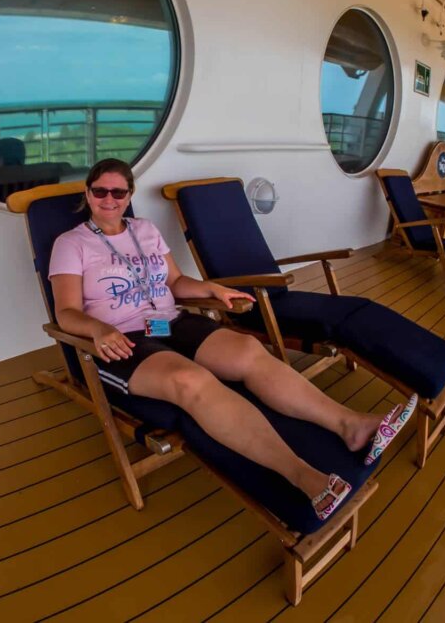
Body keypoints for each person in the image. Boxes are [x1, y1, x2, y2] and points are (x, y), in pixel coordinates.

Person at [49, 158, 417, 520]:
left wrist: (212, 290)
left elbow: (175, 283)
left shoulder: (145, 230)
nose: (109, 199)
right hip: (121, 339)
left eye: (118, 191)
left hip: (169, 322)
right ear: (88, 192)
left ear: (129, 195)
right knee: (191, 380)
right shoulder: (71, 243)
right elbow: (66, 313)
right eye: (100, 191)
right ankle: (303, 476)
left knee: (247, 350)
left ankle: (351, 426)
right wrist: (99, 329)